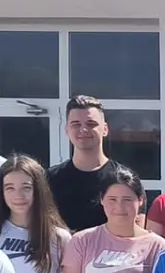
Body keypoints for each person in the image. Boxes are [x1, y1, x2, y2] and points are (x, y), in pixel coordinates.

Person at [47, 96, 121, 232]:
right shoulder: (49, 179)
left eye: (91, 124)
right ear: (67, 130)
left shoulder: (123, 179)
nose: (83, 129)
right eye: (76, 124)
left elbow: (134, 235)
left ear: (105, 129)